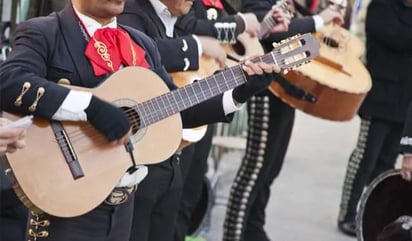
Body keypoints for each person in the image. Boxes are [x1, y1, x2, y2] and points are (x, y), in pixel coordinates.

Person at [0, 1, 281, 241]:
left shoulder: (139, 42)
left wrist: (238, 92)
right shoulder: (45, 31)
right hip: (66, 199)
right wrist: (88, 107)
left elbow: (176, 107)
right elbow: (9, 81)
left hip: (125, 207)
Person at [118, 1, 287, 241]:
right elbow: (190, 31)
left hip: (181, 130)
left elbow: (221, 33)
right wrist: (199, 44)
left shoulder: (175, 12)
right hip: (135, 158)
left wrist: (239, 92)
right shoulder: (132, 12)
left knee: (187, 197)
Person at [222, 1, 345, 241]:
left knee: (271, 169)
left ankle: (254, 230)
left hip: (286, 90)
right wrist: (320, 19)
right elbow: (275, 30)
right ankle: (234, 234)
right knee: (254, 170)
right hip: (264, 89)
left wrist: (324, 15)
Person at [337, 0, 412, 236]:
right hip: (379, 98)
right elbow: (397, 38)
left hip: (404, 103)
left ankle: (373, 215)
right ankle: (347, 214)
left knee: (386, 165)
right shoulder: (381, 6)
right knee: (363, 159)